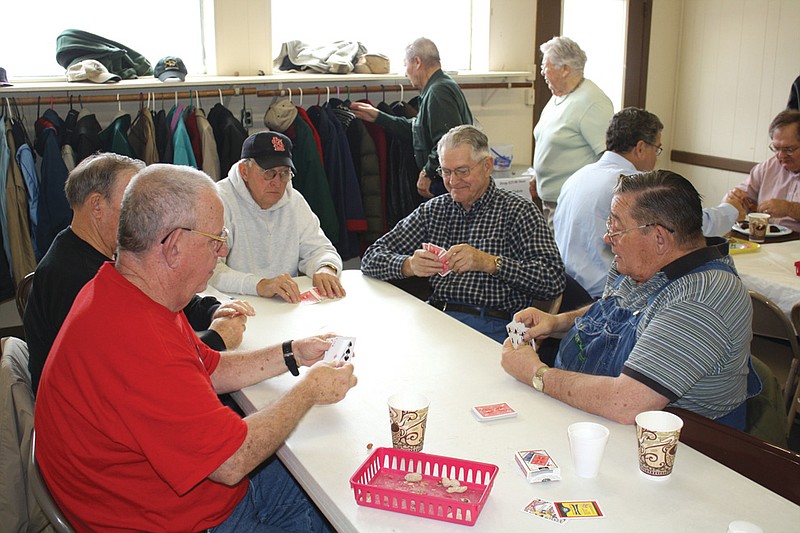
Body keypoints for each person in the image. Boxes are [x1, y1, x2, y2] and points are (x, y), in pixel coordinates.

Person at [34, 164, 358, 531]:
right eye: (215, 239)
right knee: (344, 505)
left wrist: (293, 352)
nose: (222, 252)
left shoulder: (124, 291)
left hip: (165, 499)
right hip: (188, 520)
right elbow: (231, 462)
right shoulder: (140, 340)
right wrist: (309, 391)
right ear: (173, 247)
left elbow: (212, 368)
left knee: (332, 479)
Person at [502, 170, 760, 428]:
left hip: (678, 450)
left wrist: (536, 374)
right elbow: (616, 309)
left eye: (617, 228)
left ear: (659, 238)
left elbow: (625, 403)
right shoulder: (646, 264)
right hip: (592, 418)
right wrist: (558, 322)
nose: (607, 238)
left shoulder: (702, 300)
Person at [23, 153, 251, 395]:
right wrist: (216, 339)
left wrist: (210, 310)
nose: (143, 209)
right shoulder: (76, 278)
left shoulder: (90, 251)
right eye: (131, 198)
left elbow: (155, 291)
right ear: (97, 206)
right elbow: (145, 372)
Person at [361, 125, 565, 343]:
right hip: (438, 317)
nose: (452, 181)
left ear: (487, 166)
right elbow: (371, 257)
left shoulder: (519, 211)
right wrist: (408, 265)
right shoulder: (434, 210)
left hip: (496, 325)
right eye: (446, 172)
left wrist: (491, 263)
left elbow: (553, 279)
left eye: (462, 171)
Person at [554, 107, 745, 299]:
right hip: (605, 294)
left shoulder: (578, 176)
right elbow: (690, 227)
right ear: (641, 148)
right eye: (657, 149)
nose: (656, 157)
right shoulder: (631, 185)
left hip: (568, 291)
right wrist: (731, 209)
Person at [211, 131, 345, 303]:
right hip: (235, 306)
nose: (277, 182)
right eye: (269, 173)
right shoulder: (218, 201)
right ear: (244, 171)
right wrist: (259, 285)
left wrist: (326, 267)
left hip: (285, 306)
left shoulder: (294, 200)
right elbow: (210, 271)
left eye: (284, 173)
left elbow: (321, 249)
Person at [351, 37, 473, 199]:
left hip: (444, 184)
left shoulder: (438, 92)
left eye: (405, 64)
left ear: (417, 62)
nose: (405, 72)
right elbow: (417, 131)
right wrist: (378, 117)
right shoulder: (437, 88)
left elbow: (448, 142)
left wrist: (427, 172)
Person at [530, 36, 614, 228]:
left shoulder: (592, 101)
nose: (542, 71)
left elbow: (608, 158)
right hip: (550, 199)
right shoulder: (558, 97)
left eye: (545, 65)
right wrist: (539, 176)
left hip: (573, 204)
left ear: (565, 69)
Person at [725, 109, 800, 232]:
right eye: (776, 148)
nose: (781, 156)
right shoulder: (768, 168)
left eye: (789, 149)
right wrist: (734, 198)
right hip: (763, 240)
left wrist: (790, 209)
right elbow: (741, 198)